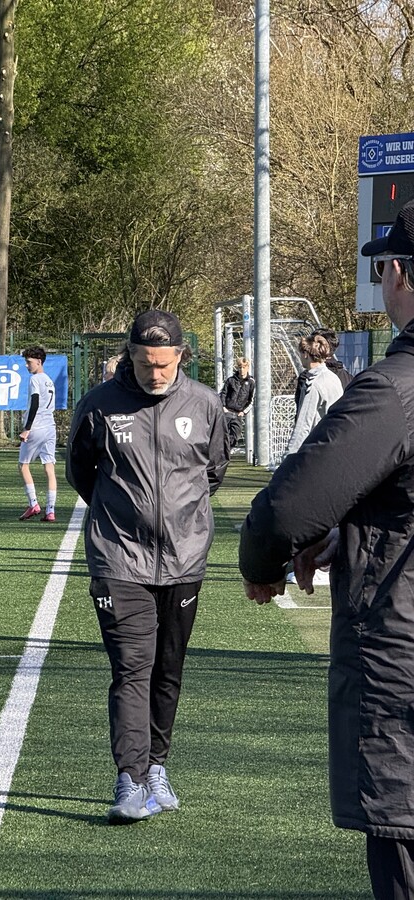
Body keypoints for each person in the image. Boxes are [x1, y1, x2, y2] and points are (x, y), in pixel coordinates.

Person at [240, 197, 414, 900]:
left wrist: (263, 562)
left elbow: (287, 509)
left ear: (398, 273)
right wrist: (355, 534)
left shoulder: (396, 390)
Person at [66, 310, 229, 825]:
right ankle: (130, 780)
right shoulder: (99, 405)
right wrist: (124, 516)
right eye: (144, 363)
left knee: (168, 669)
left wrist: (181, 520)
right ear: (129, 356)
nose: (154, 373)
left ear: (180, 356)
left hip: (185, 559)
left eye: (163, 364)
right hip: (119, 558)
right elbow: (80, 472)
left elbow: (214, 471)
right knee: (132, 668)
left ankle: (157, 767)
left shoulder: (205, 404)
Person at [17, 346, 58, 522]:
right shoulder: (49, 380)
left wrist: (27, 428)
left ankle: (33, 504)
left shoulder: (35, 379)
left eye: (29, 362)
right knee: (49, 468)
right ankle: (50, 510)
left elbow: (35, 403)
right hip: (50, 427)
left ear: (39, 362)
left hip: (37, 427)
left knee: (23, 465)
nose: (27, 366)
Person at [287, 332, 344, 457]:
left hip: (318, 449)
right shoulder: (334, 378)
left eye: (300, 353)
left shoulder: (315, 384)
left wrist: (289, 456)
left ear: (306, 354)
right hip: (336, 443)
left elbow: (304, 424)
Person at [219, 356, 255, 447]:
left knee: (235, 437)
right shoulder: (230, 380)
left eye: (244, 367)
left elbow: (251, 400)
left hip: (238, 414)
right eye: (240, 367)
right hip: (227, 412)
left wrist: (243, 412)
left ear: (247, 368)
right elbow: (223, 394)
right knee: (221, 435)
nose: (242, 370)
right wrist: (223, 407)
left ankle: (227, 451)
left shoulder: (251, 382)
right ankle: (221, 452)